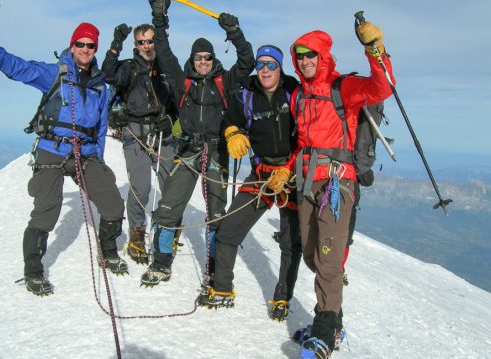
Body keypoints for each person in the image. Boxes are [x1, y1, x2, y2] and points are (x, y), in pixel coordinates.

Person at [266, 23, 394, 358]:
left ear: (322, 57)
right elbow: (305, 144)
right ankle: (333, 320)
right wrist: (286, 168)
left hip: (337, 184)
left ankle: (324, 334)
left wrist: (375, 50)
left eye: (311, 55)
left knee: (327, 259)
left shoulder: (343, 87)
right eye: (300, 56)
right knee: (310, 252)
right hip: (307, 181)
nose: (305, 60)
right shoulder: (302, 95)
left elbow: (382, 88)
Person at [0, 23, 127, 296]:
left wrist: (100, 161)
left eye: (90, 45)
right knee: (47, 211)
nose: (84, 49)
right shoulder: (54, 73)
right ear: (72, 46)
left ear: (95, 49)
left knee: (113, 204)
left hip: (86, 151)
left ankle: (108, 252)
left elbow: (102, 127)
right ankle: (33, 272)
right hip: (52, 148)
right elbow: (19, 69)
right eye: (80, 44)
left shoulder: (100, 86)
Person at [140, 0, 255, 287]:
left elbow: (247, 62)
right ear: (192, 60)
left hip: (217, 152)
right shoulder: (182, 81)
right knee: (168, 209)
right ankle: (161, 263)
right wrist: (159, 16)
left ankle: (214, 269)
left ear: (213, 58)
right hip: (188, 151)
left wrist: (235, 33)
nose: (202, 62)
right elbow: (163, 52)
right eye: (197, 58)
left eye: (206, 57)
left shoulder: (225, 81)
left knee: (216, 216)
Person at [196, 45, 302, 323]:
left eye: (271, 64)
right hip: (261, 173)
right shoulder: (246, 94)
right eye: (261, 64)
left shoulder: (295, 93)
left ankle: (283, 296)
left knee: (291, 242)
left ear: (280, 67)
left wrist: (291, 171)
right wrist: (232, 132)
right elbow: (229, 119)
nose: (265, 70)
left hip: (292, 175)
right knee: (229, 229)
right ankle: (221, 288)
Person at [102, 23, 177, 265]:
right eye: (141, 42)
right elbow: (108, 75)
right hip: (135, 130)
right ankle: (137, 236)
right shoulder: (128, 68)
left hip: (162, 131)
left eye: (150, 41)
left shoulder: (166, 67)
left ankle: (168, 232)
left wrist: (170, 119)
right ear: (135, 45)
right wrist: (115, 45)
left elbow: (179, 99)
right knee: (141, 187)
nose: (146, 46)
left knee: (172, 186)